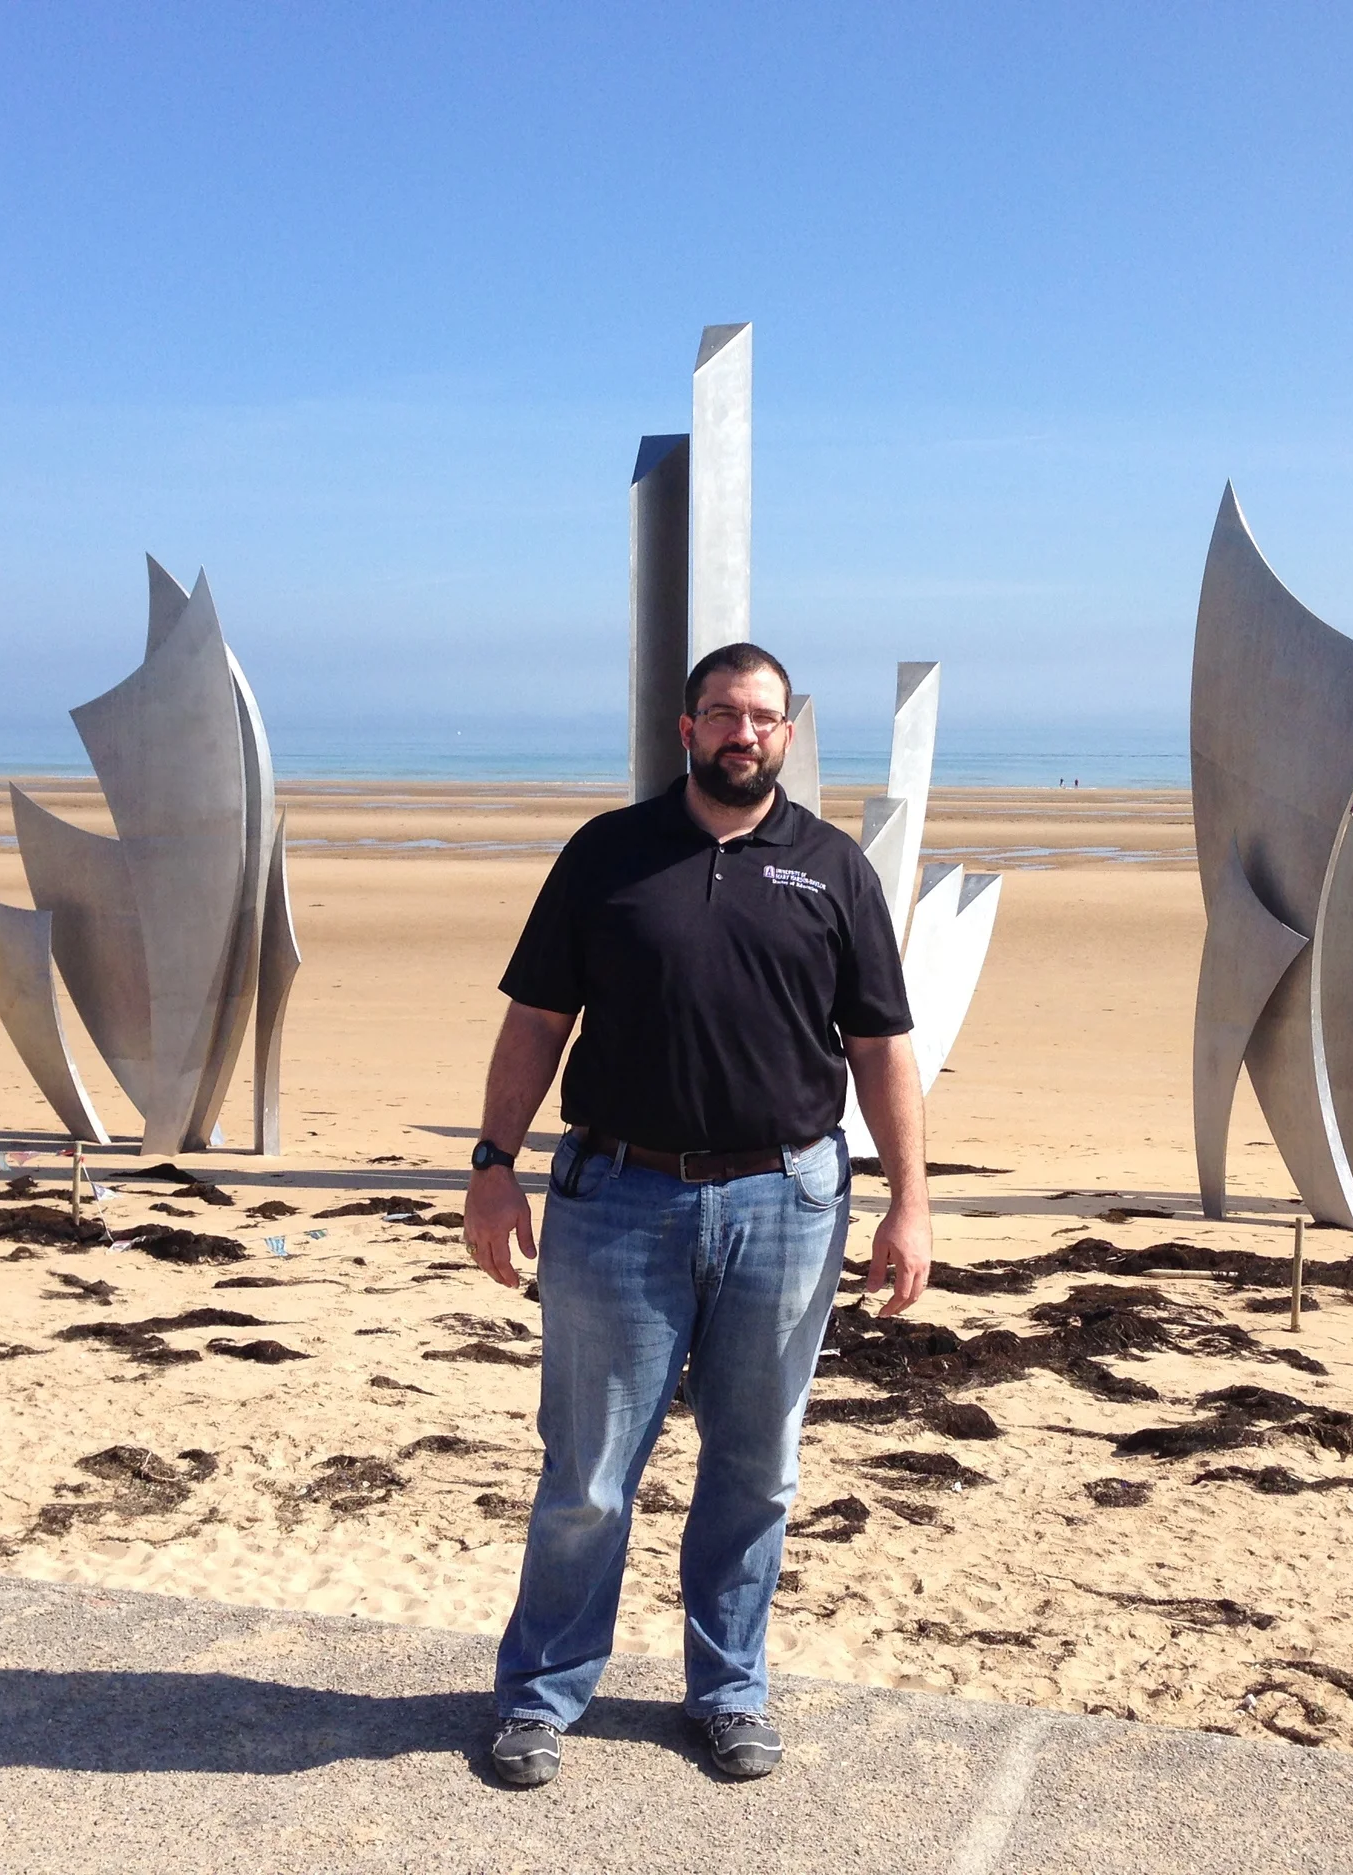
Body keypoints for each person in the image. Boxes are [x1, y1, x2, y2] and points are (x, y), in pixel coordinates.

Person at [462, 641, 928, 1791]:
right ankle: (541, 1695)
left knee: (756, 1470)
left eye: (762, 717)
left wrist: (910, 1203)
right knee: (587, 1471)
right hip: (617, 1197)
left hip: (788, 1199)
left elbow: (879, 1046)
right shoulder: (607, 855)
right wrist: (490, 1162)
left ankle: (727, 1692)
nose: (743, 733)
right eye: (722, 713)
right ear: (686, 729)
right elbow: (535, 1021)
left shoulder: (831, 870)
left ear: (784, 732)